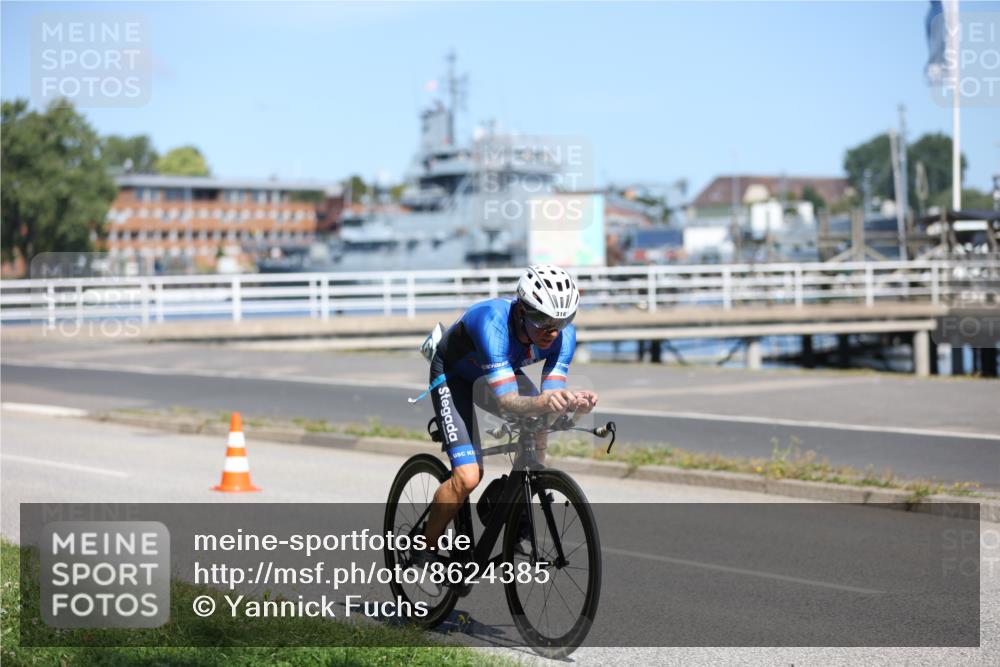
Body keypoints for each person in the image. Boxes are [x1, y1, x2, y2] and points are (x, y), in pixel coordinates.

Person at [420, 264, 599, 555]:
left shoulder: (563, 336)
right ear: (521, 310)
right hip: (454, 377)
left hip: (496, 375)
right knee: (467, 477)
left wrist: (573, 404)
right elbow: (508, 402)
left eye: (563, 319)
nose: (552, 330)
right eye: (542, 319)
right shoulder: (493, 324)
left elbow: (550, 398)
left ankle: (511, 504)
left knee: (540, 421)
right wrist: (544, 402)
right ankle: (423, 550)